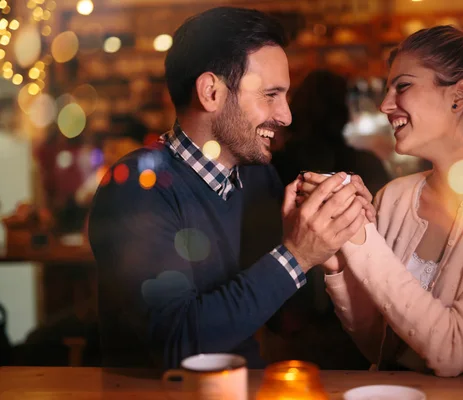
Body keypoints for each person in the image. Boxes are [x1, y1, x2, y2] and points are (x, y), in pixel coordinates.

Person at [88, 7, 369, 370]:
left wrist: (334, 241)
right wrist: (296, 255)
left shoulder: (256, 179)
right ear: (211, 92)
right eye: (270, 94)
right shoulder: (137, 188)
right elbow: (175, 344)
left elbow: (285, 322)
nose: (286, 116)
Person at [301, 25, 463, 376]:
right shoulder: (394, 197)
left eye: (402, 86)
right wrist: (339, 260)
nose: (385, 104)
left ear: (459, 96)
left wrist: (363, 240)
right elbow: (380, 347)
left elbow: (452, 353)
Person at [267, 69, 389, 369]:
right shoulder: (366, 166)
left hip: (289, 307)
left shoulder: (272, 166)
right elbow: (385, 237)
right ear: (343, 109)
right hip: (356, 306)